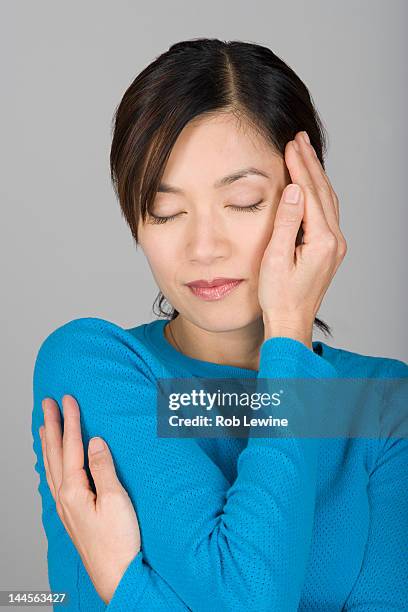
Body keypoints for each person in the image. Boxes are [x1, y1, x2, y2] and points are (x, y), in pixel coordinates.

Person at [31, 38, 408, 611]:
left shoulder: (382, 405)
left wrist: (127, 589)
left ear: (306, 204)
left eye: (244, 202)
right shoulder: (91, 366)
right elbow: (248, 599)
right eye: (166, 211)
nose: (202, 248)